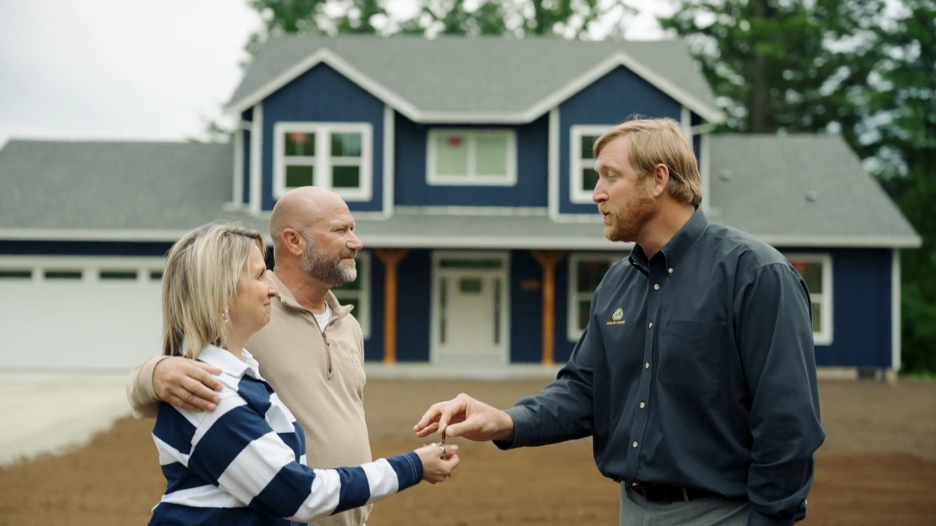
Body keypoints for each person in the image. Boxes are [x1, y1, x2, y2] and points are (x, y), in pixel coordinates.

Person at [414, 118, 825, 526]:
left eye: (611, 176)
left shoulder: (755, 274)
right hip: (633, 510)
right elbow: (583, 392)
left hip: (723, 514)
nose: (596, 194)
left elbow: (788, 424)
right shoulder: (616, 283)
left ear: (658, 179)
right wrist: (504, 421)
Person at [148, 222, 458, 525]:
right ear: (220, 294)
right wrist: (412, 466)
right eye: (259, 275)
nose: (271, 288)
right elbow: (299, 495)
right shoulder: (207, 392)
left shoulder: (245, 376)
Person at [128, 187, 388, 526]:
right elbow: (179, 373)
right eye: (341, 230)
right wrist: (153, 372)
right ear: (294, 241)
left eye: (353, 229)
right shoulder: (249, 312)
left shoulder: (348, 325)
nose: (356, 242)